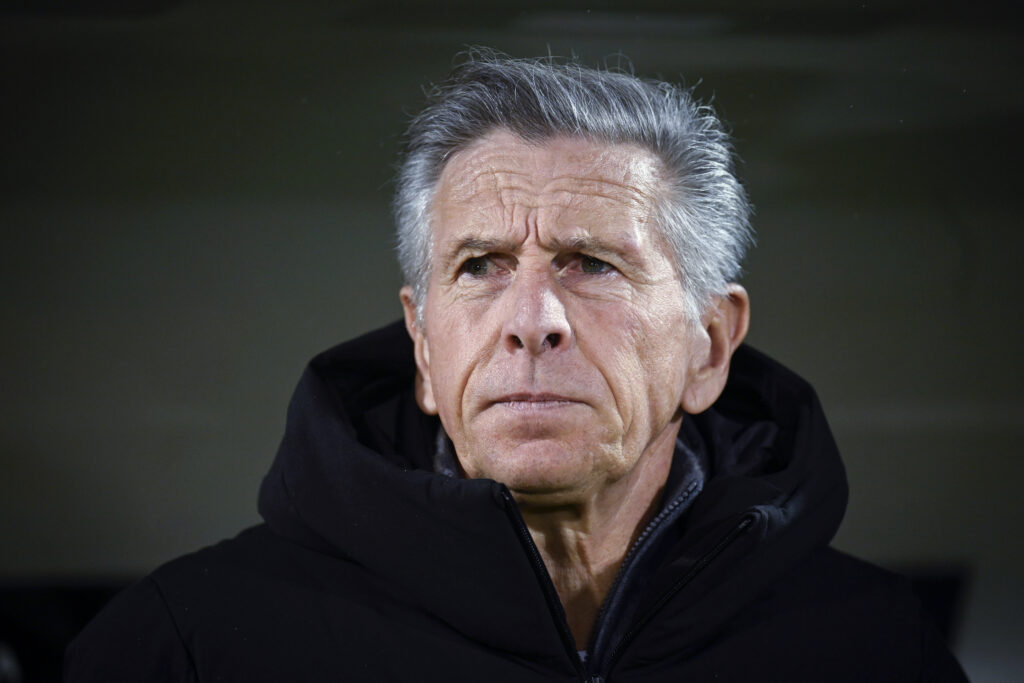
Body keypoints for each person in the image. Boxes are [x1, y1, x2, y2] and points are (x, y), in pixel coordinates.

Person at [65, 51, 967, 682]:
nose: (532, 321)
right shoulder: (190, 645)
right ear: (423, 346)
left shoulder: (876, 649)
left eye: (593, 264)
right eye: (480, 266)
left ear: (709, 344)